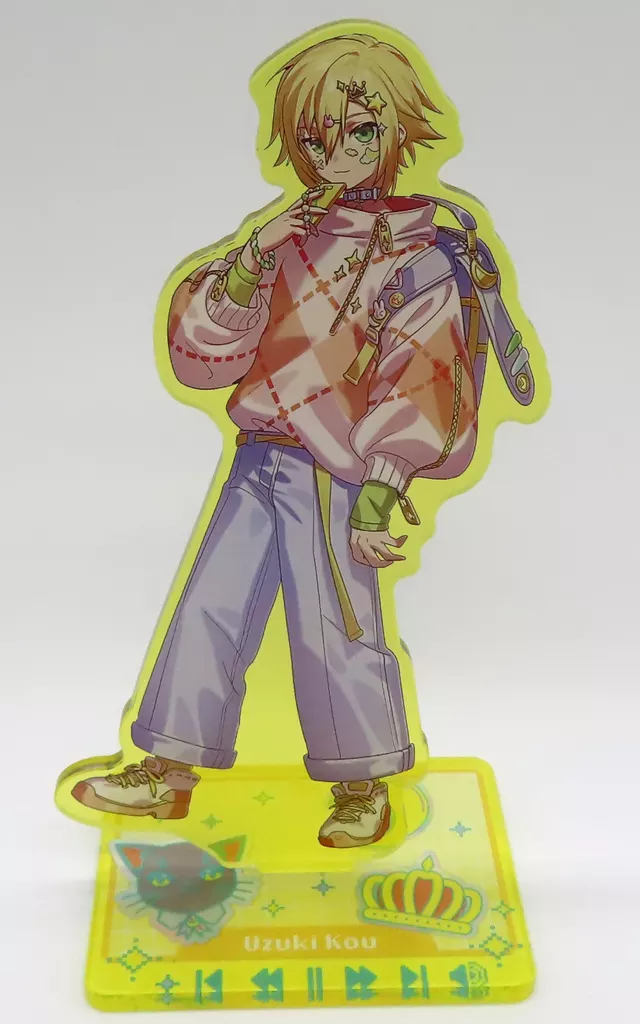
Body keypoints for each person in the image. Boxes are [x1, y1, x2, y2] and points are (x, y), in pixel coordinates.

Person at [72, 33, 477, 848]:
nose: (337, 155)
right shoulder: (287, 234)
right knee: (209, 607)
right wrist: (254, 256)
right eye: (317, 138)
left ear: (397, 130)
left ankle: (363, 783)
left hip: (339, 466)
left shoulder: (420, 250)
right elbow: (202, 354)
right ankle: (169, 768)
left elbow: (424, 375)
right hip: (260, 449)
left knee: (338, 627)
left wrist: (383, 487)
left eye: (360, 131)